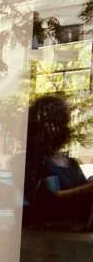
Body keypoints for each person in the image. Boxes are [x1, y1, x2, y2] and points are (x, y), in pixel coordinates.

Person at [23, 94, 93, 230]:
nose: (63, 128)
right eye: (58, 122)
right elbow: (46, 200)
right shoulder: (32, 161)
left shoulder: (71, 163)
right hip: (49, 236)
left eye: (64, 122)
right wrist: (87, 189)